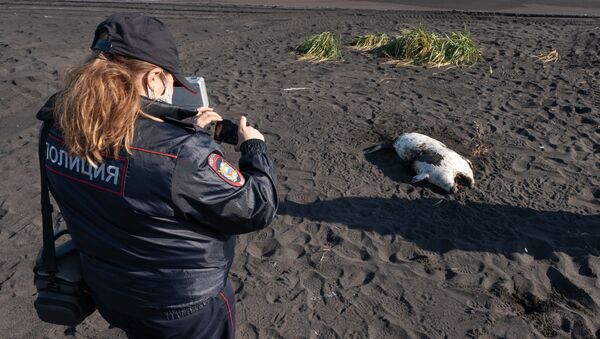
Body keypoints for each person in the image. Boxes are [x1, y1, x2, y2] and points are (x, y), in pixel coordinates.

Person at [35, 12, 278, 339]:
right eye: (171, 82)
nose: (171, 89)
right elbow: (256, 208)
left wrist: (190, 133)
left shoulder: (58, 126)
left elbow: (129, 159)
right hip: (180, 305)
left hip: (110, 290)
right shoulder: (181, 154)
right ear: (153, 79)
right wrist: (254, 148)